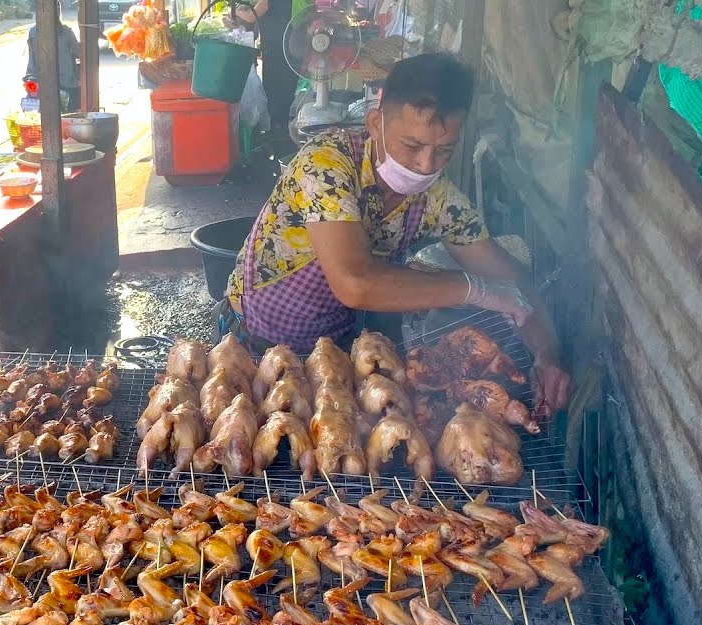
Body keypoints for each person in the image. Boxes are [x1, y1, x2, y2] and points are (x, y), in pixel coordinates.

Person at [217, 52, 572, 416]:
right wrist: (473, 289)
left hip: (334, 353)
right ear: (376, 123)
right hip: (258, 345)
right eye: (412, 146)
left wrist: (547, 352)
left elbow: (512, 279)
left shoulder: (438, 198)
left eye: (444, 150)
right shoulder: (326, 165)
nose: (426, 165)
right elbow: (354, 283)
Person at [231, 0, 293, 135]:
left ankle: (278, 131)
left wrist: (234, 11)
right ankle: (279, 128)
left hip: (279, 46)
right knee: (281, 87)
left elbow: (251, 16)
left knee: (276, 88)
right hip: (284, 45)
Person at [25, 11, 81, 112]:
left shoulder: (33, 31)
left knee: (34, 111)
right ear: (58, 13)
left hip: (36, 76)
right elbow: (78, 52)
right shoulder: (65, 31)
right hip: (66, 80)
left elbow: (31, 52)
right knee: (76, 109)